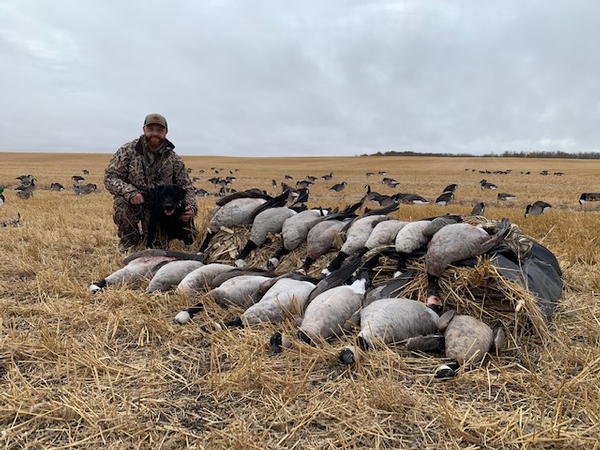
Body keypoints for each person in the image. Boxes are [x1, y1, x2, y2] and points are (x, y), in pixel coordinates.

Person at [104, 113, 198, 251]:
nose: (155, 133)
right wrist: (130, 192)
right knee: (121, 205)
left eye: (159, 130)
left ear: (166, 132)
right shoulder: (128, 151)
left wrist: (191, 208)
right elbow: (110, 177)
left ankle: (158, 238)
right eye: (151, 129)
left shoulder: (174, 159)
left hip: (160, 208)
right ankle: (130, 242)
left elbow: (186, 187)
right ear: (144, 129)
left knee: (157, 248)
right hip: (135, 201)